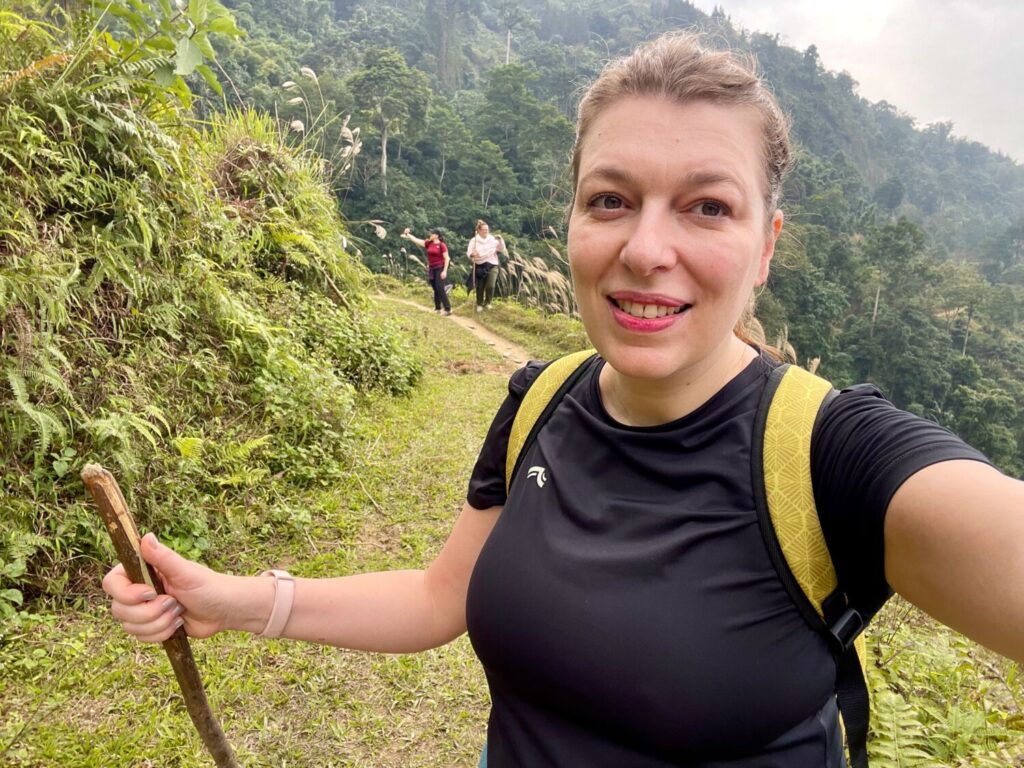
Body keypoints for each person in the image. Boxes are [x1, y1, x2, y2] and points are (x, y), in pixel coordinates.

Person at [103, 32, 1024, 767]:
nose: (645, 250)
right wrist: (236, 601)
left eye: (708, 207)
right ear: (574, 219)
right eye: (611, 200)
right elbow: (438, 598)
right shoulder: (540, 399)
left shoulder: (833, 454)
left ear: (767, 246)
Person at [401, 227, 451, 315]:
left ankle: (448, 309)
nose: (430, 235)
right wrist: (407, 234)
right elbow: (416, 240)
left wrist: (444, 271)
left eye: (431, 233)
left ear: (436, 235)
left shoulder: (442, 245)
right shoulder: (428, 243)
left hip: (440, 268)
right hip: (432, 268)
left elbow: (447, 258)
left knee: (440, 287)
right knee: (435, 288)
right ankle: (438, 308)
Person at [466, 219, 504, 312]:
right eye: (484, 229)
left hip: (492, 264)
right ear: (479, 230)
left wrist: (500, 240)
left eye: (487, 229)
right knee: (480, 286)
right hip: (479, 265)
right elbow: (469, 253)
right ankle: (479, 304)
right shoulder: (474, 240)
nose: (486, 231)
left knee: (490, 285)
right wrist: (472, 254)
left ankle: (488, 302)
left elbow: (501, 249)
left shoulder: (492, 239)